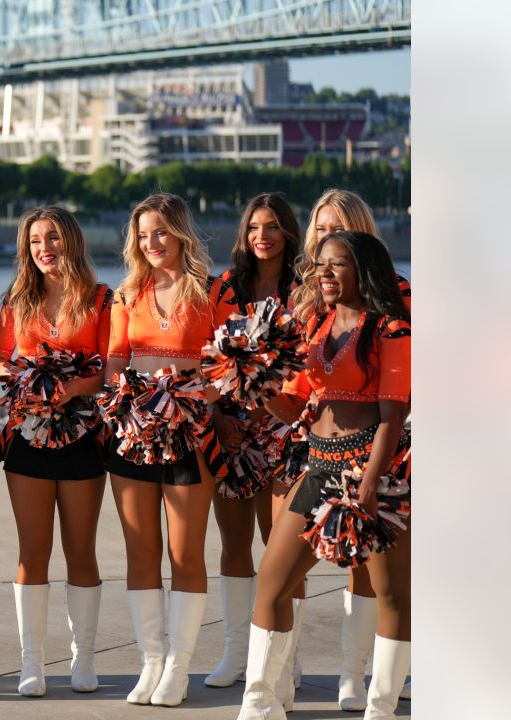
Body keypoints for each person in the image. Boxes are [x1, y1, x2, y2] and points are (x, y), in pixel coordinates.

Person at [237, 230, 410, 720]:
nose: (325, 274)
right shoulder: (315, 325)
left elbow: (393, 415)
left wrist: (372, 480)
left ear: (365, 271)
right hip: (317, 466)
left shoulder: (392, 331)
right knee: (271, 584)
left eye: (338, 265)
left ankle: (381, 708)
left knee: (391, 593)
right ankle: (259, 703)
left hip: (373, 472)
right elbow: (292, 405)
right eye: (320, 265)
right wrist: (257, 382)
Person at [103, 193, 237, 707]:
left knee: (185, 552)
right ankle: (151, 663)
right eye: (142, 234)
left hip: (192, 432)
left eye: (160, 231)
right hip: (134, 433)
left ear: (180, 232)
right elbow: (115, 362)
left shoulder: (213, 291)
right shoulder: (126, 294)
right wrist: (134, 401)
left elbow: (228, 365)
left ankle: (179, 668)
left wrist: (191, 396)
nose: (151, 243)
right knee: (141, 552)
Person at [290, 188, 413, 708]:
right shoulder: (308, 299)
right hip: (308, 445)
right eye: (319, 228)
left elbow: (398, 392)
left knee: (374, 572)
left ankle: (354, 675)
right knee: (286, 562)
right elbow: (298, 381)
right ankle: (277, 683)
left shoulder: (396, 296)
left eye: (337, 227)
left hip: (376, 448)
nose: (325, 236)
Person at [0, 206, 112, 696]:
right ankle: (32, 662)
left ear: (72, 242)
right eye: (36, 240)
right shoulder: (17, 300)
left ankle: (83, 658)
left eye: (54, 237)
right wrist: (14, 378)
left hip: (84, 433)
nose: (45, 248)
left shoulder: (102, 299)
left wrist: (70, 388)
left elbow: (108, 368)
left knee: (81, 550)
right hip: (27, 435)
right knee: (32, 551)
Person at [204, 193, 305, 696]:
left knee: (282, 547)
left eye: (272, 227)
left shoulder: (306, 290)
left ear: (289, 232)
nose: (261, 237)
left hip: (288, 427)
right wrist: (222, 414)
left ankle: (287, 657)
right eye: (253, 228)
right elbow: (209, 357)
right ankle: (235, 651)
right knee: (234, 543)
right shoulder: (225, 287)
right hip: (235, 429)